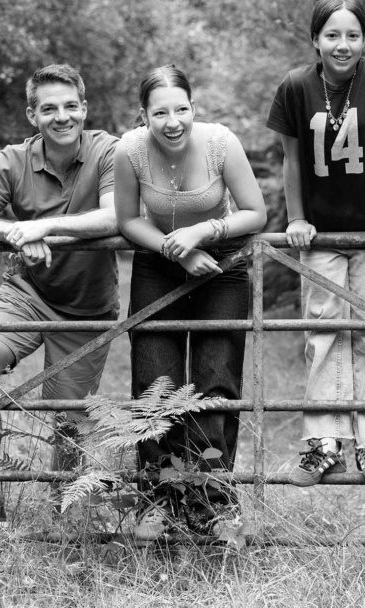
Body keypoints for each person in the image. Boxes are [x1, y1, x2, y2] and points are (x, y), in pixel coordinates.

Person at [0, 64, 120, 537]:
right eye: (49, 109)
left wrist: (48, 227)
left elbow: (115, 216)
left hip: (87, 307)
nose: (61, 117)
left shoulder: (107, 150)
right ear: (31, 115)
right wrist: (18, 233)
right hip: (26, 292)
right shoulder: (13, 159)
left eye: (70, 106)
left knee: (66, 419)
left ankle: (65, 516)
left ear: (85, 108)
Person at [266, 0, 365, 488]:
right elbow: (291, 160)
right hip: (322, 233)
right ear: (315, 39)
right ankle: (323, 443)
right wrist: (297, 218)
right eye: (332, 35)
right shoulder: (294, 87)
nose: (343, 44)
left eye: (352, 35)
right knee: (323, 330)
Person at [114, 64, 267, 539]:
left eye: (181, 109)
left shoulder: (221, 142)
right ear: (144, 116)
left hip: (221, 265)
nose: (172, 121)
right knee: (154, 379)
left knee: (216, 379)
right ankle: (157, 501)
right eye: (160, 112)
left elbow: (256, 212)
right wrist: (172, 248)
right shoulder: (130, 150)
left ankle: (212, 501)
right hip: (159, 263)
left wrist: (203, 232)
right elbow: (126, 221)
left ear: (193, 108)